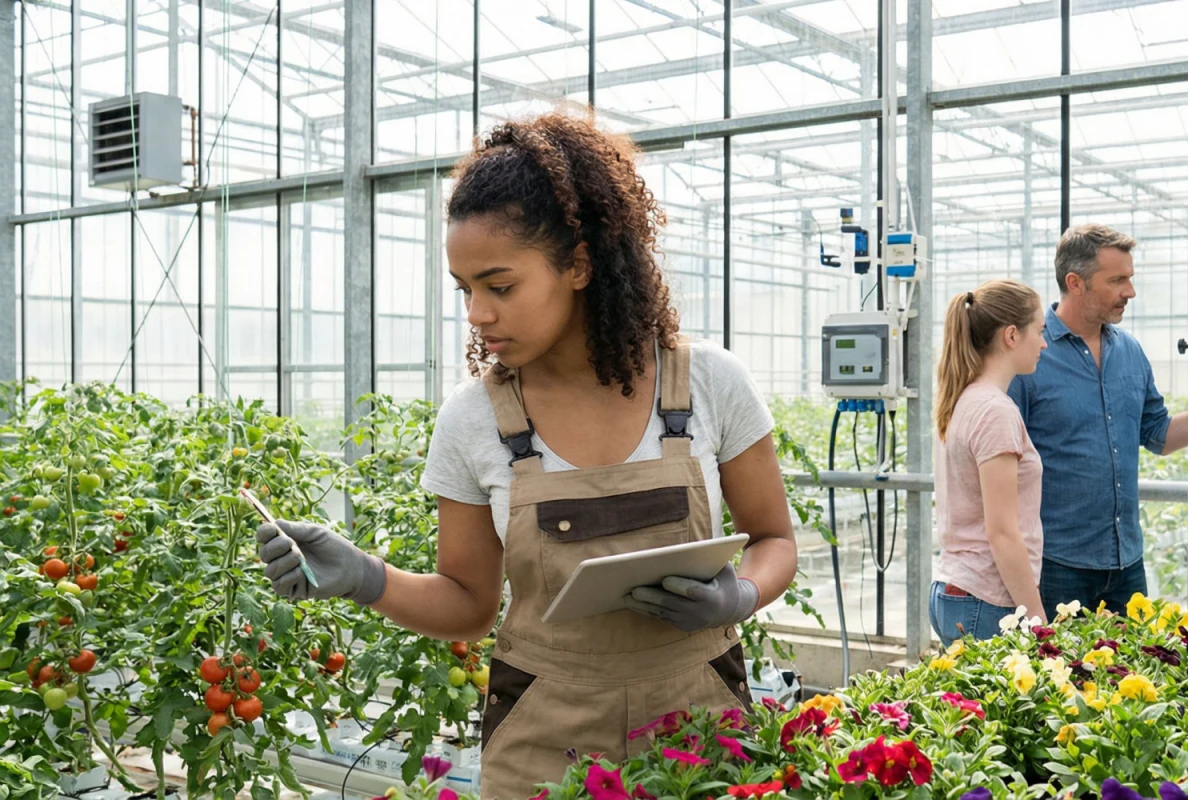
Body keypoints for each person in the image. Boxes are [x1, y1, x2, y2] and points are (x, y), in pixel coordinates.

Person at [252, 113, 798, 795]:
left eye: (499, 286)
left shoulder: (708, 383)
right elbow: (470, 604)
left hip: (698, 727)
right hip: (545, 735)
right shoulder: (475, 418)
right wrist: (364, 577)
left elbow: (775, 538)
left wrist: (740, 594)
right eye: (465, 290)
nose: (477, 313)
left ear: (577, 264)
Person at [1009, 224, 1188, 615]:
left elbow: (1160, 435)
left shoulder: (1129, 352)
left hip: (1126, 564)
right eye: (1117, 280)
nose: (1130, 291)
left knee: (1134, 674)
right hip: (1057, 564)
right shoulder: (1029, 359)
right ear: (1075, 283)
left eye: (1131, 278)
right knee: (1061, 675)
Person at [929, 279, 1050, 646]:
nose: (1044, 344)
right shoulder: (995, 411)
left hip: (958, 589)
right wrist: (1037, 618)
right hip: (987, 599)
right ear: (1011, 336)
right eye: (1040, 331)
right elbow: (1002, 532)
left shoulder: (961, 400)